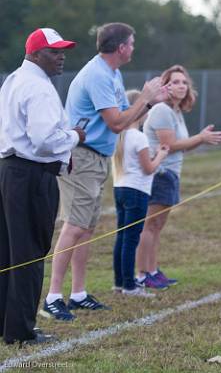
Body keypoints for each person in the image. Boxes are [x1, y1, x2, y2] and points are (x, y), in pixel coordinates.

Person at [45, 23, 167, 321]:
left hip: (98, 157)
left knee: (86, 227)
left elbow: (126, 119)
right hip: (82, 156)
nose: (134, 48)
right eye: (132, 43)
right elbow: (115, 122)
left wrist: (150, 101)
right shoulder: (98, 74)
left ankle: (78, 293)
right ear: (121, 47)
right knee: (74, 226)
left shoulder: (113, 73)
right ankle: (52, 297)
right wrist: (144, 97)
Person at [0, 28, 85, 345]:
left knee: (8, 251)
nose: (61, 56)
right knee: (29, 253)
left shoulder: (14, 80)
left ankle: (7, 323)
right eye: (54, 51)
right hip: (32, 175)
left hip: (10, 171)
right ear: (35, 53)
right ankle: (20, 330)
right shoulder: (38, 87)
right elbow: (45, 141)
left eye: (63, 50)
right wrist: (76, 136)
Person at [136, 65, 221, 289]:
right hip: (160, 173)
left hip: (170, 173)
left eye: (184, 82)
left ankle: (153, 270)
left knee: (158, 225)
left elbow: (181, 147)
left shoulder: (175, 111)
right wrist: (201, 138)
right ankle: (142, 274)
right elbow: (171, 145)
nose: (181, 86)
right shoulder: (162, 110)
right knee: (150, 225)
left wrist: (201, 138)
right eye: (175, 82)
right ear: (166, 85)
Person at [111, 90, 169, 297]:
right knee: (131, 239)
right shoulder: (138, 137)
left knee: (122, 237)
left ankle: (119, 282)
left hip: (120, 188)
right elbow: (149, 168)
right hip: (137, 191)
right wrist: (161, 155)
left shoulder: (120, 136)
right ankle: (129, 285)